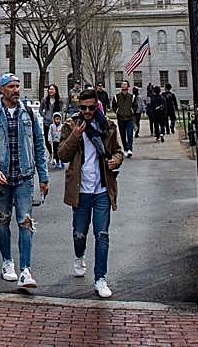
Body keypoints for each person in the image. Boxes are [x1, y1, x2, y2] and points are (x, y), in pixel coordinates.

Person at [0, 73, 49, 289]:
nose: (16, 90)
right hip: (2, 177)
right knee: (3, 219)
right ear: (2, 90)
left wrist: (43, 176)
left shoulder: (28, 113)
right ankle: (7, 262)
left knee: (25, 221)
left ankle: (25, 270)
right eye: (11, 86)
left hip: (24, 176)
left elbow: (39, 143)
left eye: (18, 86)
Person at [57, 88, 125, 299]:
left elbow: (118, 151)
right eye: (83, 108)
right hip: (81, 190)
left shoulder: (107, 126)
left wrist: (116, 160)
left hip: (102, 188)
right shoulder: (71, 125)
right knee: (80, 233)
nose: (87, 111)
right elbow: (62, 154)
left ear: (97, 106)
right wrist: (75, 136)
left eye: (91, 107)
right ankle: (79, 255)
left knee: (102, 234)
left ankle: (100, 278)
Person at [112, 80, 136, 157]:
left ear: (128, 86)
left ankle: (130, 149)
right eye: (122, 84)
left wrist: (132, 111)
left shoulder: (132, 97)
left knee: (129, 134)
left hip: (129, 118)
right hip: (120, 118)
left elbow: (135, 106)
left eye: (125, 84)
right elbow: (113, 106)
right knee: (123, 135)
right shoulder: (116, 97)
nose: (123, 85)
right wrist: (117, 111)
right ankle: (125, 149)